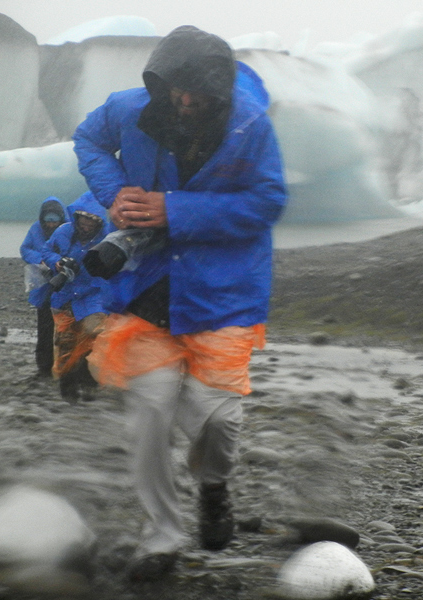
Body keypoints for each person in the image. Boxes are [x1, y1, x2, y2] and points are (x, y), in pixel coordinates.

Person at [72, 25, 287, 581]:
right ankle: (161, 538)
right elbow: (89, 139)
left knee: (217, 418)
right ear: (159, 81)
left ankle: (213, 486)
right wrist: (113, 193)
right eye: (176, 90)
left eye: (199, 94)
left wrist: (177, 210)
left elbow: (267, 200)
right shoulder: (127, 109)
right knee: (150, 412)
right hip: (145, 284)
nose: (186, 101)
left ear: (220, 90)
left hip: (223, 288)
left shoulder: (249, 125)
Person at [41, 192, 110, 402]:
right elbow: (46, 250)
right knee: (65, 342)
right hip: (65, 295)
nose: (86, 224)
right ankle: (67, 387)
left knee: (94, 335)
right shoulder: (64, 231)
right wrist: (57, 262)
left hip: (94, 294)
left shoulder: (107, 237)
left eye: (92, 220)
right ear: (77, 216)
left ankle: (89, 382)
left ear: (99, 220)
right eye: (83, 219)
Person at [20, 197, 66, 377]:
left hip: (65, 286)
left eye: (55, 219)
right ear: (42, 218)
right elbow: (25, 249)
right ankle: (44, 366)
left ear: (61, 218)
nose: (51, 224)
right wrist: (39, 259)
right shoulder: (35, 229)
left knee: (66, 328)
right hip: (44, 286)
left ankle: (65, 365)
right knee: (45, 327)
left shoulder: (68, 229)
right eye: (48, 220)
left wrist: (58, 263)